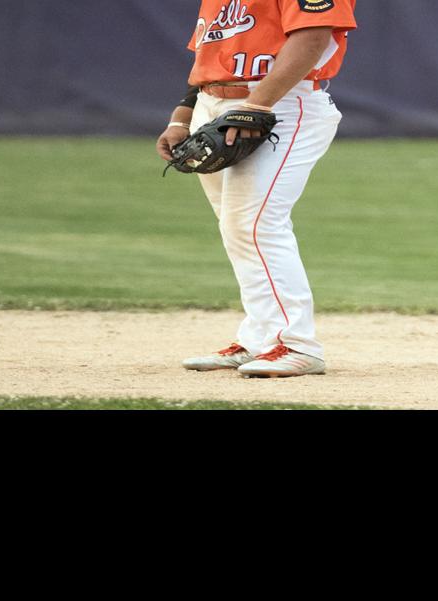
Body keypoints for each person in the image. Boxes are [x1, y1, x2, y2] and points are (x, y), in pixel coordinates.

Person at [160, 0, 357, 378]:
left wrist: (257, 104)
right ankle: (260, 338)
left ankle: (297, 344)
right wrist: (181, 117)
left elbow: (313, 38)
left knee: (256, 223)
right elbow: (208, 51)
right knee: (235, 226)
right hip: (213, 103)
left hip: (279, 104)